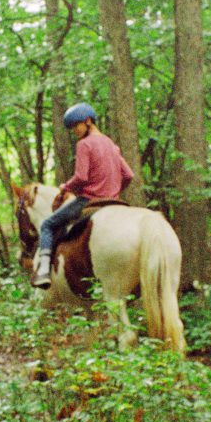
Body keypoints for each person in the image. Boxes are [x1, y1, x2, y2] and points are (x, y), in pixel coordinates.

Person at [33, 102, 135, 289]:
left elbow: (81, 176)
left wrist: (66, 186)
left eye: (76, 125)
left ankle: (43, 270)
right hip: (114, 201)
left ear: (88, 121)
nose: (75, 131)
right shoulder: (112, 146)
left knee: (47, 225)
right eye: (72, 128)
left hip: (89, 200)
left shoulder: (85, 144)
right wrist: (114, 189)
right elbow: (129, 175)